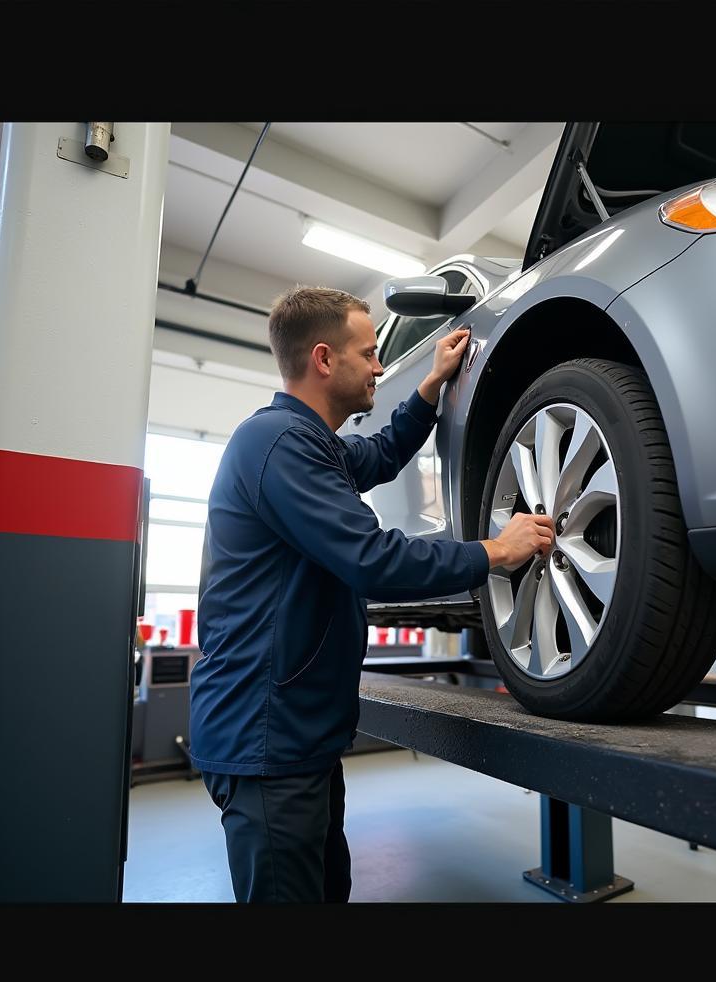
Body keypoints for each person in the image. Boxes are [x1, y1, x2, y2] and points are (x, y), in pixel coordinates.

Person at [188, 285, 554, 903]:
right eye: (369, 353)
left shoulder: (309, 442)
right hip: (265, 739)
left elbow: (380, 454)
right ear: (324, 359)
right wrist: (493, 553)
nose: (381, 365)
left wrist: (430, 386)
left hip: (299, 735)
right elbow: (372, 559)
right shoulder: (277, 444)